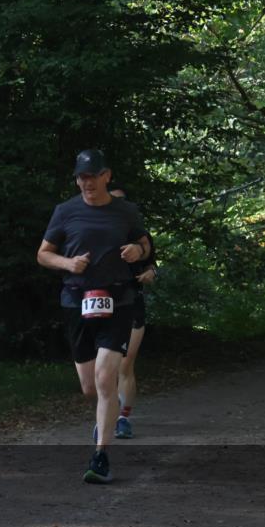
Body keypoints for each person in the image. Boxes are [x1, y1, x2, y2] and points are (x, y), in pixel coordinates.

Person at [37, 149, 150, 483]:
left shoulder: (126, 211)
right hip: (77, 300)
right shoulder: (65, 211)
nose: (86, 183)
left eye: (92, 176)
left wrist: (138, 251)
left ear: (106, 176)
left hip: (119, 299)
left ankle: (101, 455)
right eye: (81, 177)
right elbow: (43, 255)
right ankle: (107, 410)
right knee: (90, 387)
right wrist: (68, 264)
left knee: (105, 379)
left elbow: (145, 244)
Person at [109, 187, 158, 439]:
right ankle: (106, 414)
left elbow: (152, 263)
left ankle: (123, 418)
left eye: (120, 201)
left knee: (125, 365)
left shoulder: (139, 234)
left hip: (132, 303)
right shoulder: (92, 231)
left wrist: (150, 273)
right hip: (104, 305)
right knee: (105, 367)